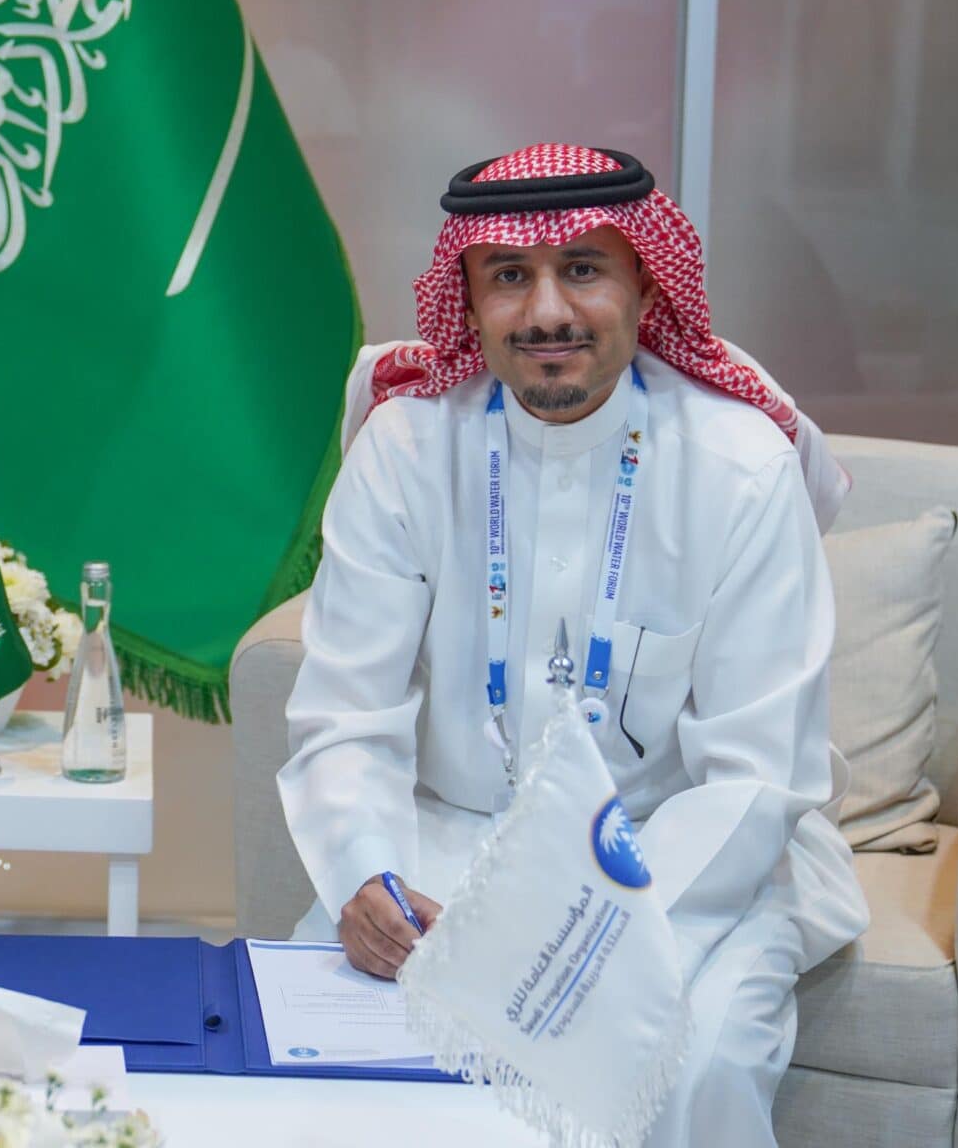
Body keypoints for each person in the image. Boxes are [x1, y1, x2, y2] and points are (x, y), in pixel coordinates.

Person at [277, 143, 868, 1148]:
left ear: (643, 281)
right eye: (509, 277)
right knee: (329, 1065)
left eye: (582, 271)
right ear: (466, 298)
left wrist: (583, 936)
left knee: (699, 1067)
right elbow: (346, 708)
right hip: (445, 843)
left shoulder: (738, 469)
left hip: (683, 868)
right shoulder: (409, 450)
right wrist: (364, 875)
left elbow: (753, 781)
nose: (547, 312)